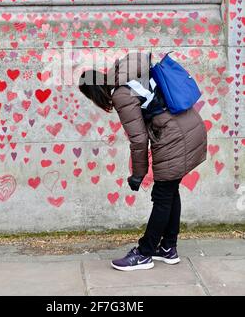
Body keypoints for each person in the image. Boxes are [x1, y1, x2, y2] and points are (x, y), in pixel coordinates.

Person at [78, 51, 207, 271]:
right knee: (169, 191)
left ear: (95, 93)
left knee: (163, 195)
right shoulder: (129, 72)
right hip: (187, 124)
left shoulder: (120, 94)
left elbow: (138, 140)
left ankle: (144, 253)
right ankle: (168, 248)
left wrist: (138, 174)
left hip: (174, 136)